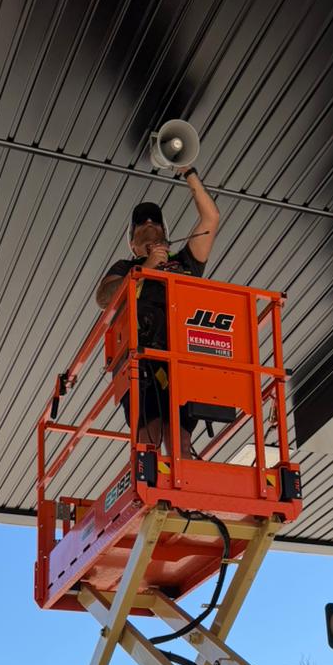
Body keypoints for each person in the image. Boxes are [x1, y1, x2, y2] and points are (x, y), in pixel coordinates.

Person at [94, 168, 221, 454]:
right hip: (142, 361)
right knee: (148, 438)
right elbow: (104, 298)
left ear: (165, 232)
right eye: (141, 224)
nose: (149, 223)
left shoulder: (185, 260)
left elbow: (211, 219)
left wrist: (188, 171)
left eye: (155, 221)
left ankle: (180, 496)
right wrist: (146, 267)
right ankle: (154, 496)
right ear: (132, 242)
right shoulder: (126, 267)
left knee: (180, 441)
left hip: (184, 357)